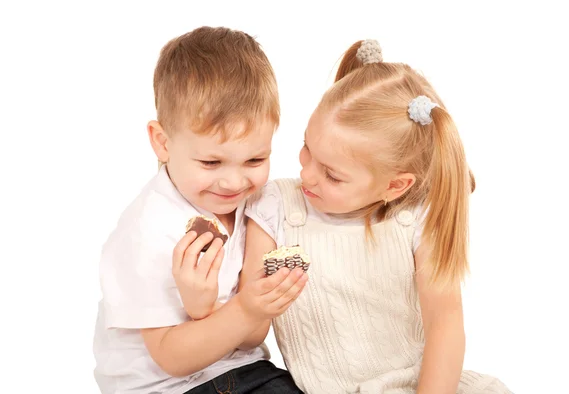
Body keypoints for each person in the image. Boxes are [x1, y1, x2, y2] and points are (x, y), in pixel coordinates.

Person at [243, 39, 512, 393]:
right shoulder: (276, 207)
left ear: (394, 186)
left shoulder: (415, 218)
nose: (307, 174)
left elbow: (444, 324)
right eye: (307, 147)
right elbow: (249, 332)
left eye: (333, 174)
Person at [93, 26, 306, 394]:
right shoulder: (148, 230)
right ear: (162, 142)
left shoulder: (259, 204)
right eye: (211, 162)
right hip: (164, 386)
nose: (233, 183)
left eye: (255, 158)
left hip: (245, 370)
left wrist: (236, 308)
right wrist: (242, 309)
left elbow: (251, 334)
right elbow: (171, 358)